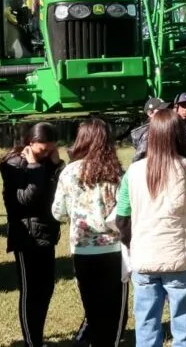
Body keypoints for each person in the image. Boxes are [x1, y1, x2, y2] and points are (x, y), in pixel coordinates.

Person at [114, 109, 186, 347]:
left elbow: (122, 220)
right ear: (180, 135)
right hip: (181, 262)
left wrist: (136, 245)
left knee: (146, 327)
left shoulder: (133, 172)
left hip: (144, 260)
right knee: (184, 330)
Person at [51, 118, 128, 347]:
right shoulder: (116, 172)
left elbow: (57, 212)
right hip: (113, 248)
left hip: (82, 249)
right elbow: (125, 211)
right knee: (115, 312)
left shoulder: (68, 172)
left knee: (93, 311)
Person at [0, 122, 63, 347]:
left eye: (50, 149)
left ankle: (37, 336)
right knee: (30, 291)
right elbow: (26, 199)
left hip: (46, 233)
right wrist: (35, 167)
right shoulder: (13, 164)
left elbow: (58, 196)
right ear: (30, 143)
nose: (46, 154)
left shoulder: (48, 162)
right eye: (42, 150)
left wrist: (57, 166)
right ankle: (31, 341)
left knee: (46, 288)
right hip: (25, 236)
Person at [130, 97, 172, 162]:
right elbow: (138, 161)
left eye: (166, 110)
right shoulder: (148, 134)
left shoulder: (163, 128)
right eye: (161, 111)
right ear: (150, 113)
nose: (166, 113)